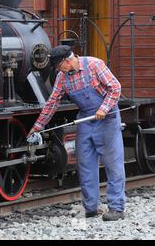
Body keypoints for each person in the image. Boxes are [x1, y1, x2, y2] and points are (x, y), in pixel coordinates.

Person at [29, 45, 126, 221]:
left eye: (60, 66)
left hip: (107, 119)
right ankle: (90, 208)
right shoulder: (62, 78)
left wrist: (104, 108)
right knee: (85, 165)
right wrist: (38, 126)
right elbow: (52, 103)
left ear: (67, 61)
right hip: (86, 121)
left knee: (113, 165)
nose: (59, 70)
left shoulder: (94, 65)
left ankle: (117, 208)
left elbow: (115, 88)